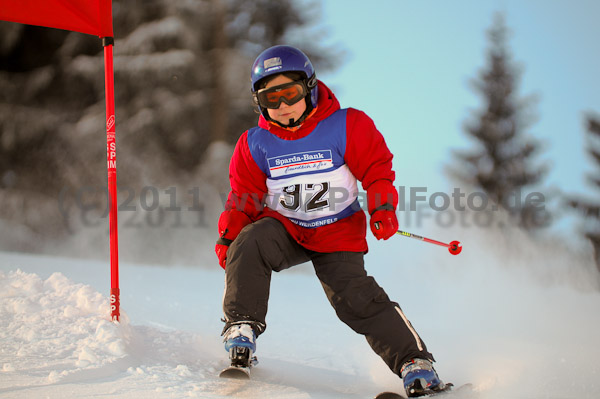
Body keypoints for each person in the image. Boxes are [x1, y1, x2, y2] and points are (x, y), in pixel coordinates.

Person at [215, 45, 448, 397]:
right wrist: (228, 239)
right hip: (287, 228)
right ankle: (241, 327)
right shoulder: (255, 143)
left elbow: (376, 169)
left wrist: (382, 208)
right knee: (250, 241)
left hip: (336, 231)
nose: (282, 106)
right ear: (258, 103)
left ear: (309, 87)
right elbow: (243, 197)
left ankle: (415, 364)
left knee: (354, 299)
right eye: (270, 98)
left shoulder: (345, 124)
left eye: (290, 94)